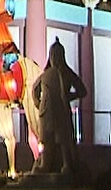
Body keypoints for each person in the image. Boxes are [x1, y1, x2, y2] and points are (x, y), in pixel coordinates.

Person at [32, 39, 85, 176]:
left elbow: (82, 90)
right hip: (47, 111)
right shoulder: (45, 74)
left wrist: (68, 96)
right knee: (47, 139)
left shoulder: (67, 73)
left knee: (63, 139)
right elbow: (34, 89)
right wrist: (38, 103)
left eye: (57, 55)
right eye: (52, 55)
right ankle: (45, 164)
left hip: (61, 111)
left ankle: (67, 164)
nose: (55, 58)